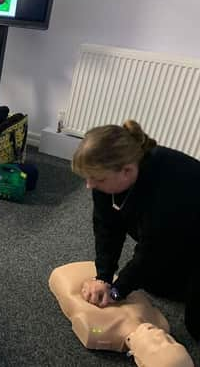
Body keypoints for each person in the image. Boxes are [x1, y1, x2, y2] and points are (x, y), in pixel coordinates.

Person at [72, 119, 200, 341]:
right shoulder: (105, 177)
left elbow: (153, 250)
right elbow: (106, 228)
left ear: (127, 171)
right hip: (176, 231)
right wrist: (103, 277)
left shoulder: (167, 188)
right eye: (88, 178)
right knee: (152, 283)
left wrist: (116, 292)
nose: (89, 185)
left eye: (97, 179)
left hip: (186, 224)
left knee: (196, 325)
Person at [49, 261, 170, 352]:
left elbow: (95, 330)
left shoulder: (98, 331)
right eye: (172, 342)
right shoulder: (161, 324)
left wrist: (98, 331)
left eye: (157, 344)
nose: (161, 338)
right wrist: (106, 281)